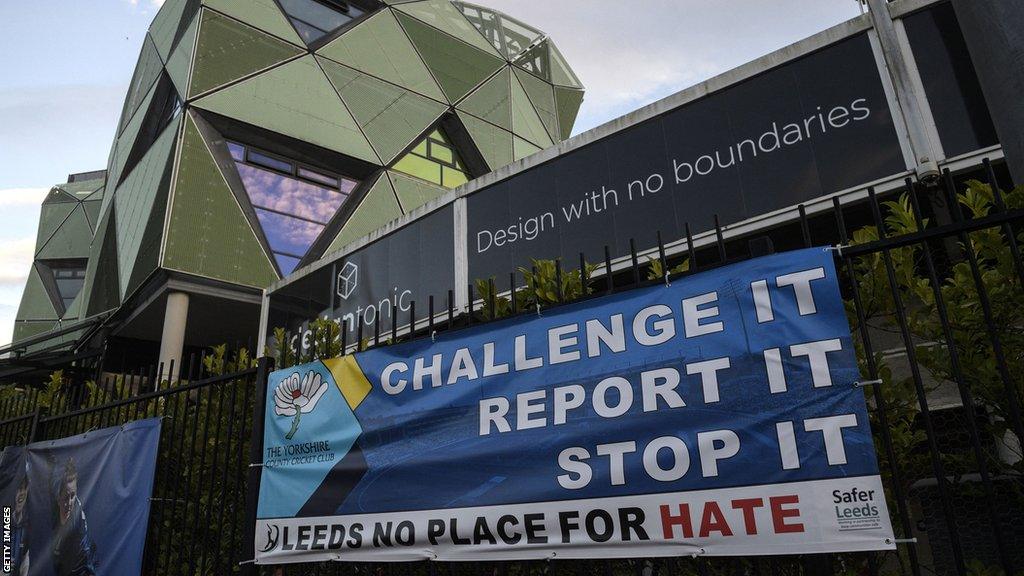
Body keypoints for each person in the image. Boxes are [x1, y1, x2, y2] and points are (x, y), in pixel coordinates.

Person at [51, 459, 96, 576]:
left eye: (73, 496)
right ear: (58, 497)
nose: (70, 502)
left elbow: (86, 565)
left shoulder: (79, 528)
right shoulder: (49, 513)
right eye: (66, 497)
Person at [11, 471, 29, 576]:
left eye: (24, 488)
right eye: (18, 488)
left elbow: (26, 557)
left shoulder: (27, 525)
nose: (21, 493)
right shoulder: (5, 517)